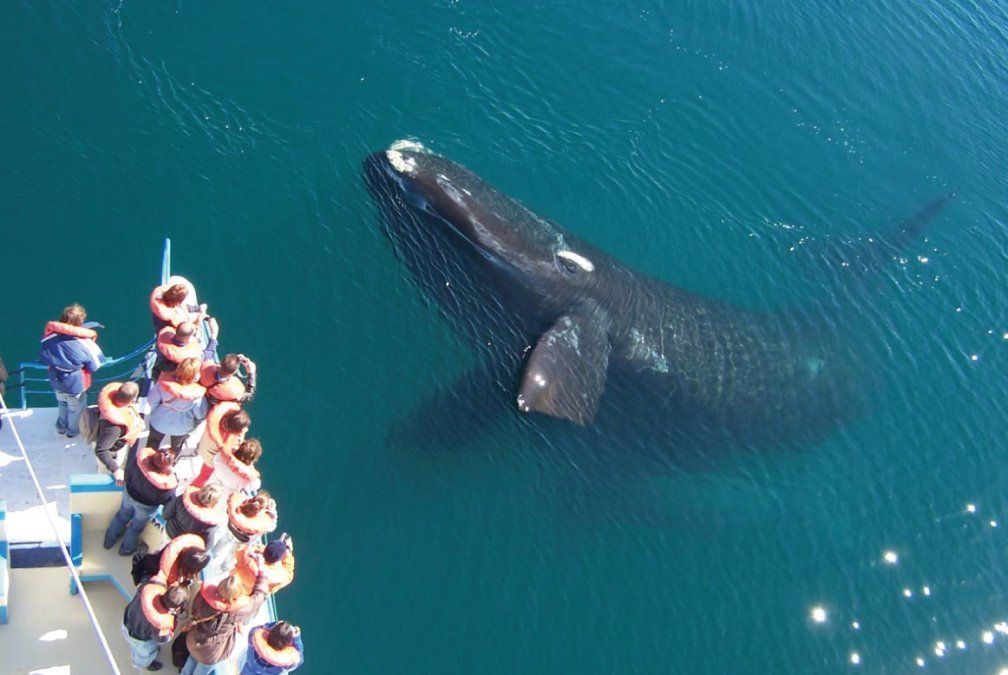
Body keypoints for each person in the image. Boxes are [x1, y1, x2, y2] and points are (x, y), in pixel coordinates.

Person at [181, 569, 270, 675]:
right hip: (213, 651)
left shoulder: (203, 596)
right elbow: (259, 597)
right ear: (236, 597)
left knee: (192, 658)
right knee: (203, 668)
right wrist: (262, 577)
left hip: (194, 640)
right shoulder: (238, 611)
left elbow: (194, 611)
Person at [38, 304, 105, 437]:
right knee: (75, 410)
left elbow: (44, 358)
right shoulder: (85, 343)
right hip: (75, 384)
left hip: (56, 380)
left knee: (62, 403)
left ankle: (61, 427)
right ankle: (72, 431)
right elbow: (95, 365)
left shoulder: (48, 338)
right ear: (80, 323)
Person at [104, 446, 178, 556]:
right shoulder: (166, 484)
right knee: (135, 527)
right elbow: (168, 500)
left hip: (129, 495)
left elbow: (128, 473)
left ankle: (108, 542)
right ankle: (125, 550)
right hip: (146, 507)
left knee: (121, 517)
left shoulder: (139, 463)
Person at [122, 574, 188, 672]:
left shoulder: (149, 586)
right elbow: (163, 639)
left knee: (134, 646)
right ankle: (141, 664)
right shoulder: (163, 624)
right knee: (144, 655)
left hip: (126, 621)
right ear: (177, 608)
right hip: (140, 640)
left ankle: (137, 655)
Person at [147, 357, 207, 456]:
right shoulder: (196, 396)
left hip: (158, 422)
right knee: (176, 448)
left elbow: (151, 401)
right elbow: (200, 414)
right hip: (181, 427)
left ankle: (148, 460)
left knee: (153, 442)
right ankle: (170, 462)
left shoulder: (163, 386)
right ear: (195, 376)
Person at [208, 491, 277, 568]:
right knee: (231, 556)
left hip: (228, 531)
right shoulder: (260, 524)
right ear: (262, 510)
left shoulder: (238, 507)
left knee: (219, 547)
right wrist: (273, 510)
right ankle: (225, 566)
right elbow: (272, 526)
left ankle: (212, 559)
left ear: (253, 499)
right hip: (240, 542)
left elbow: (238, 498)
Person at [94, 381, 145, 479]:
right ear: (131, 400)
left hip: (105, 434)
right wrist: (116, 470)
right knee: (105, 471)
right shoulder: (114, 427)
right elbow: (101, 450)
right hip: (112, 450)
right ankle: (104, 474)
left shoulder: (109, 399)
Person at [191, 403, 250, 487]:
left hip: (203, 447)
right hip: (211, 459)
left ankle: (193, 487)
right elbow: (229, 455)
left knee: (203, 472)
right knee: (205, 475)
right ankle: (193, 488)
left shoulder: (215, 422)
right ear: (235, 431)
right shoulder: (229, 442)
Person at [132, 535, 211, 588]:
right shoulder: (187, 578)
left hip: (152, 575)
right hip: (158, 579)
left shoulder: (167, 555)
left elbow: (140, 559)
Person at [162, 484, 228, 543]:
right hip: (183, 545)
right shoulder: (211, 522)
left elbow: (165, 514)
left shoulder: (182, 500)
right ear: (214, 503)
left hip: (168, 532)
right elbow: (207, 543)